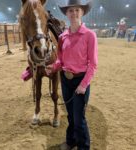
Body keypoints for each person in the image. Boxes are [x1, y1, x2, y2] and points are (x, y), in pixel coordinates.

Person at [45, 0, 98, 149]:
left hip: (81, 81)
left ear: (82, 12)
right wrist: (53, 67)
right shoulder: (63, 37)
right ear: (66, 14)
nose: (74, 13)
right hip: (66, 80)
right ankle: (71, 140)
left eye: (77, 10)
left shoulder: (90, 35)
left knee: (79, 118)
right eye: (70, 11)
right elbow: (61, 60)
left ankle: (83, 147)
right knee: (70, 115)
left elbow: (93, 64)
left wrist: (83, 85)